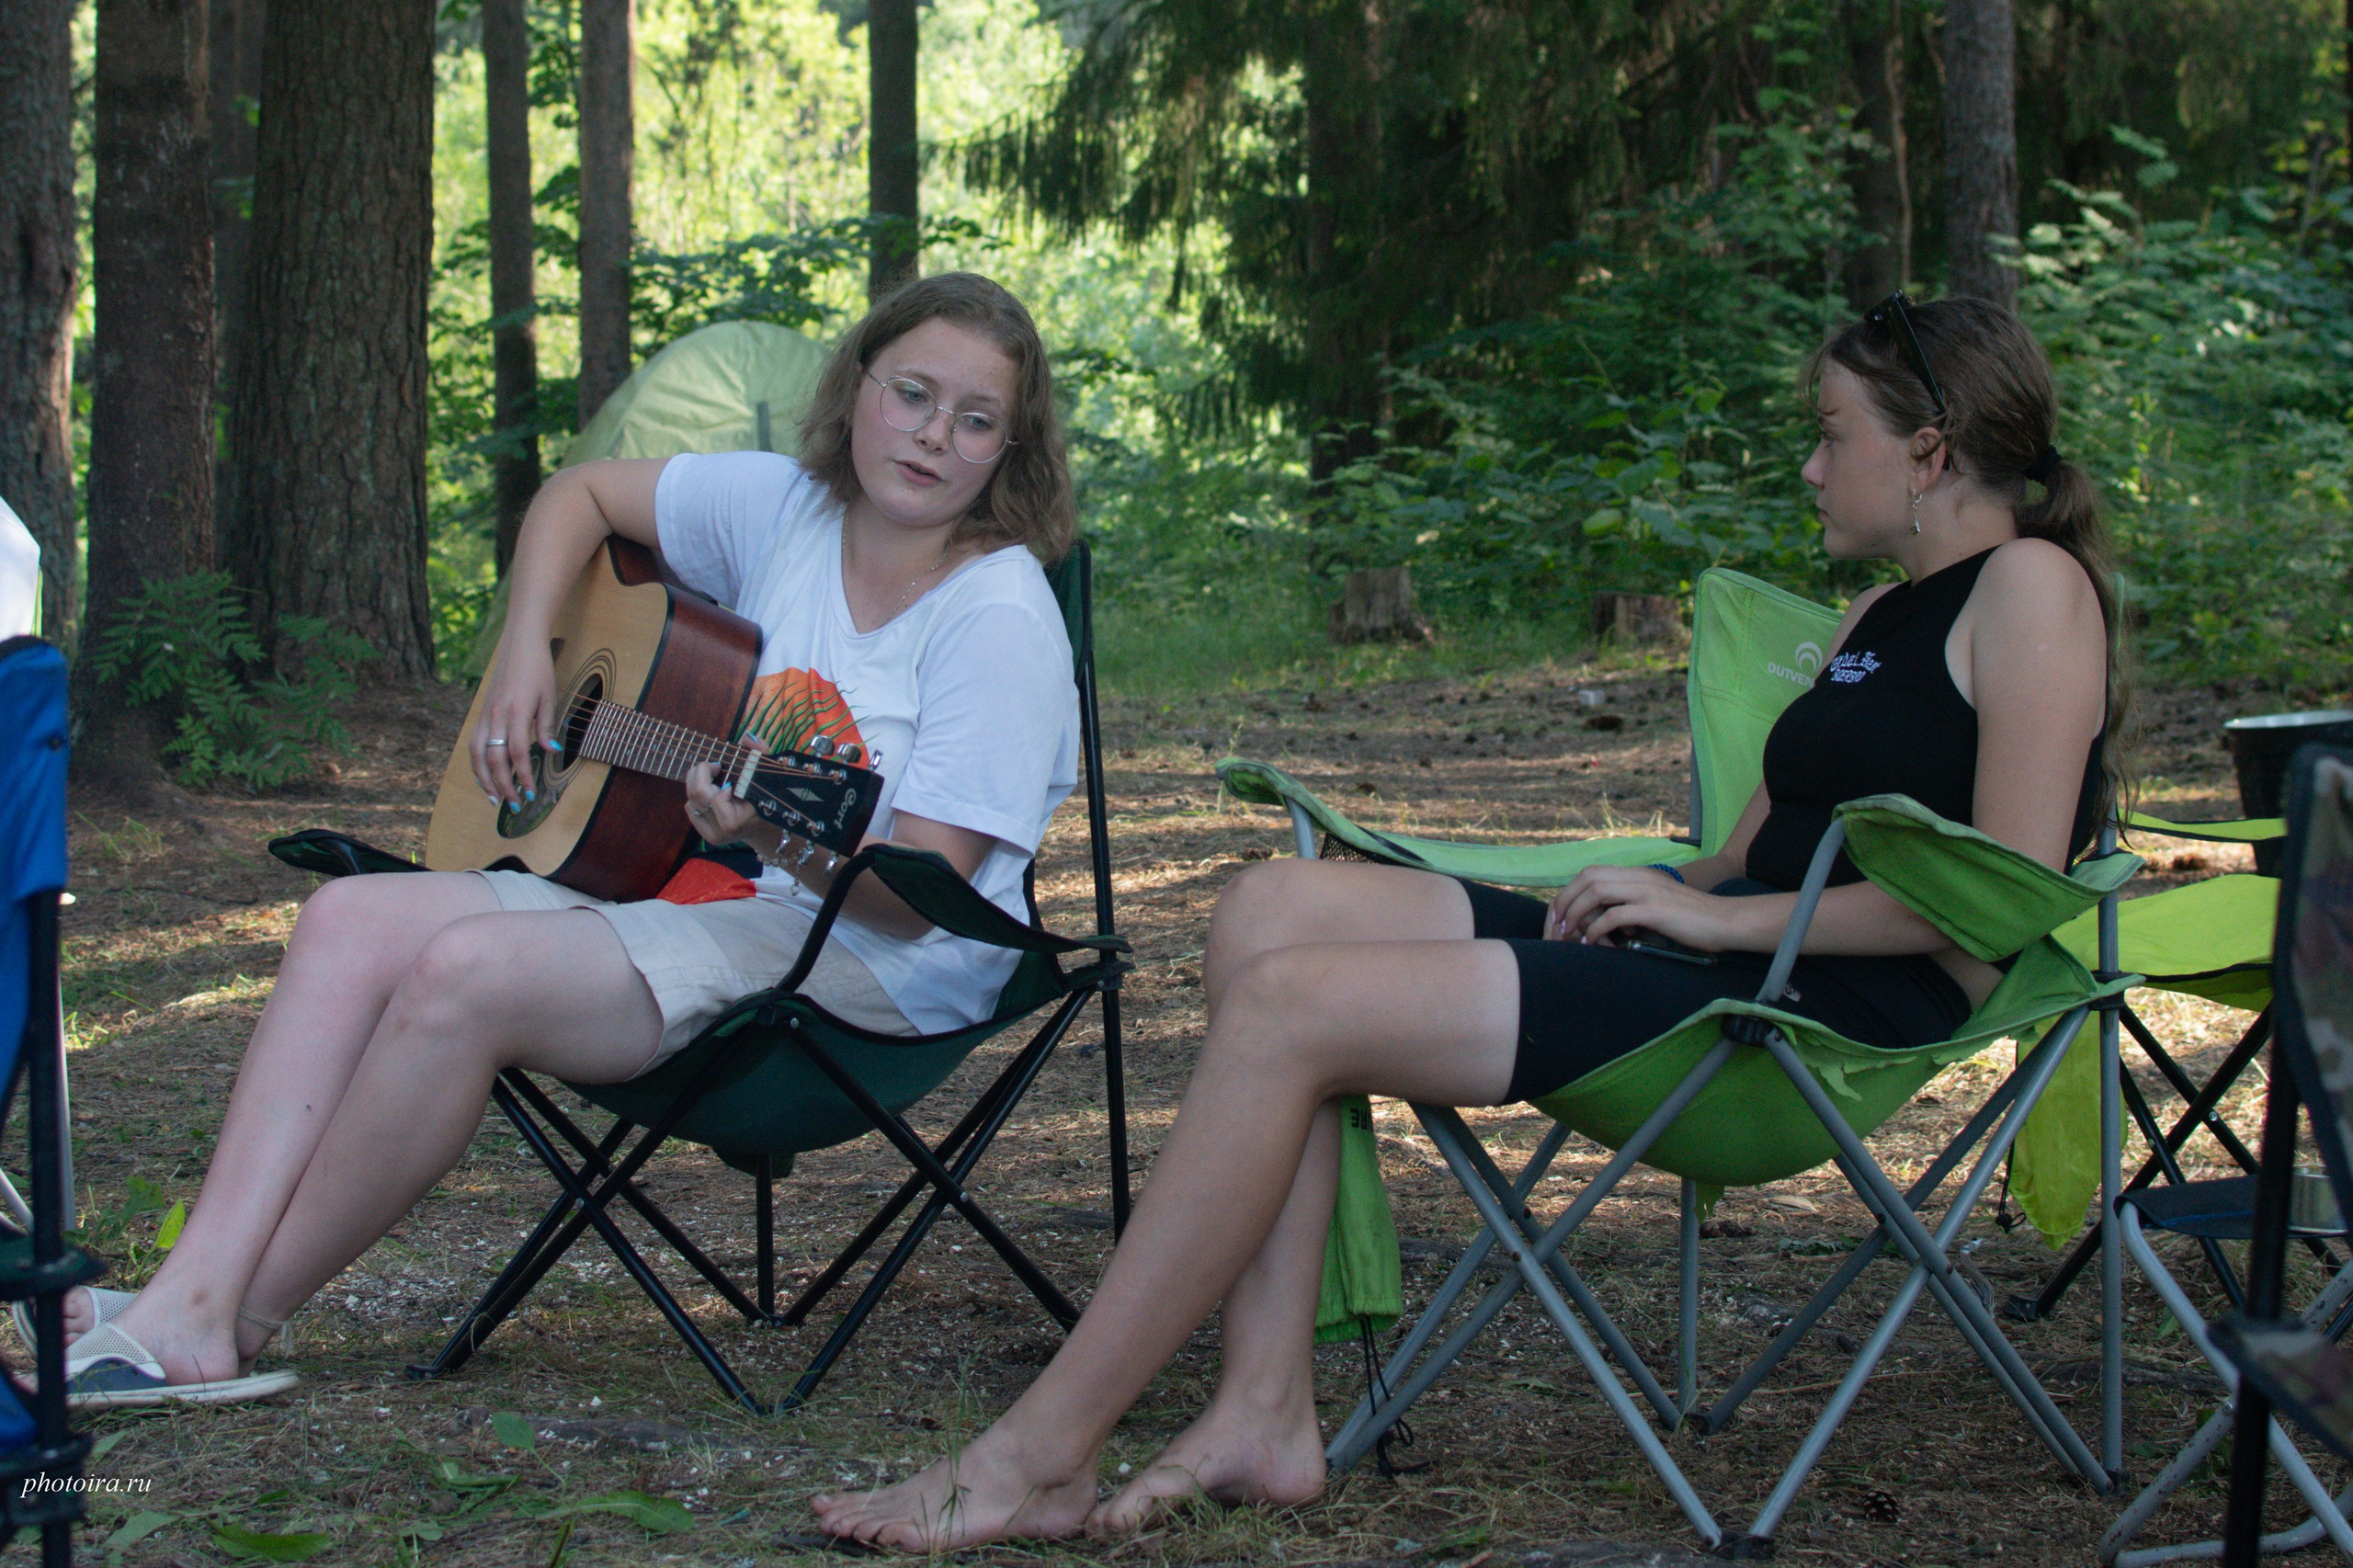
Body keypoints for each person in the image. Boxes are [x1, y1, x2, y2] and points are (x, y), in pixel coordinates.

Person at [812, 294, 2120, 1548]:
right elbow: (1733, 858)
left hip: (1809, 1024)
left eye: (1835, 435)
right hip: (1715, 958)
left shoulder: (2032, 592)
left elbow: (1991, 900)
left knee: (1290, 1008)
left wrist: (1716, 922)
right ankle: (1263, 1408)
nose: (1809, 465)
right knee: (1269, 905)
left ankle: (1044, 1446)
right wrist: (1674, 894)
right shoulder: (1875, 615)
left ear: (1932, 450)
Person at [43, 272, 1082, 1406]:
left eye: (974, 419)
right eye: (912, 393)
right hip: (711, 894)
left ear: (1009, 451)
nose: (933, 434)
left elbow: (917, 896)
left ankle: (224, 1319)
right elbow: (579, 493)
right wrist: (524, 656)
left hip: (876, 964)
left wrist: (782, 845)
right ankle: (184, 1285)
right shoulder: (786, 507)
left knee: (463, 976)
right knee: (346, 918)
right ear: (858, 386)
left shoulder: (997, 614)